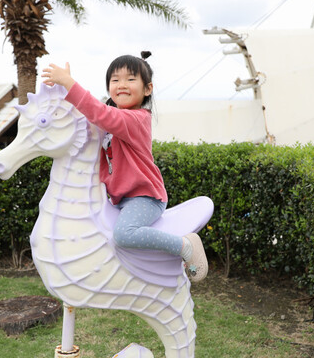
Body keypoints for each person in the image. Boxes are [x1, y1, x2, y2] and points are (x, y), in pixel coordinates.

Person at [41, 52, 208, 282]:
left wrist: (70, 84)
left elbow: (99, 113)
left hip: (144, 197)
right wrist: (60, 92)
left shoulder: (137, 119)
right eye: (115, 80)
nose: (122, 85)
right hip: (119, 198)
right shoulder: (114, 116)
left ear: (147, 89)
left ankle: (184, 246)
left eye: (130, 79)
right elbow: (88, 115)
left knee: (123, 234)